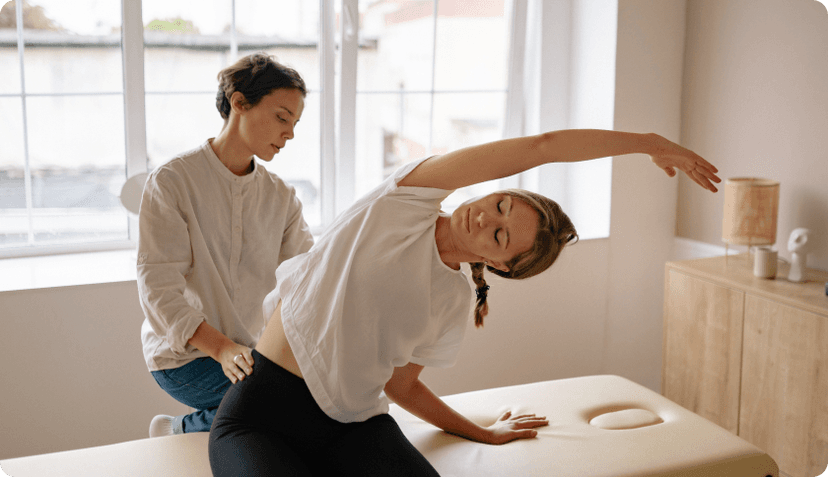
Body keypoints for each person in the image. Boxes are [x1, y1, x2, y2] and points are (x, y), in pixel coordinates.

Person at [208, 129, 721, 475]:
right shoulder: (403, 201)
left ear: (499, 266)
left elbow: (402, 386)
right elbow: (541, 147)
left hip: (353, 426)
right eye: (500, 205)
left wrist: (483, 433)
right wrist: (646, 142)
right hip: (263, 414)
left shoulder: (453, 300)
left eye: (500, 237)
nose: (485, 219)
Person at [137, 52, 315, 437]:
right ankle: (181, 429)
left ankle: (185, 428)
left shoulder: (281, 197)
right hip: (186, 356)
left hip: (252, 354)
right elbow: (157, 290)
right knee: (288, 403)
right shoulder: (172, 182)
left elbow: (304, 281)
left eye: (295, 123)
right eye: (282, 117)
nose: (290, 133)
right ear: (239, 103)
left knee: (321, 394)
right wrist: (222, 349)